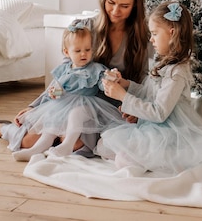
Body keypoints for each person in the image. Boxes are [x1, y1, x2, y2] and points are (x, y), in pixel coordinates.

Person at [0, 0, 151, 156]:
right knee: (29, 141)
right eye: (111, 3)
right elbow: (66, 74)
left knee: (75, 144)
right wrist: (34, 106)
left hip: (111, 107)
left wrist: (134, 108)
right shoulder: (86, 27)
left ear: (135, 6)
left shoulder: (143, 38)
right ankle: (1, 129)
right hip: (71, 101)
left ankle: (53, 140)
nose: (115, 11)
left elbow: (145, 83)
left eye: (124, 6)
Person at [95, 1, 202, 173]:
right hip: (152, 125)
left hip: (171, 129)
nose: (151, 39)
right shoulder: (162, 62)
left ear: (171, 33)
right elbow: (149, 92)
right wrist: (124, 84)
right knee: (106, 145)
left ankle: (168, 157)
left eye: (154, 33)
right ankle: (150, 156)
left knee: (122, 160)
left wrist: (123, 97)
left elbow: (159, 113)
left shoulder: (177, 72)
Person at [11, 22, 124, 161]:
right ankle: (36, 149)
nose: (83, 54)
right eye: (78, 51)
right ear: (66, 52)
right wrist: (54, 93)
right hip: (64, 104)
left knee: (77, 113)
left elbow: (102, 84)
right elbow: (59, 91)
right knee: (51, 123)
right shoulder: (64, 70)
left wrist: (110, 77)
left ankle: (67, 145)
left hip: (88, 105)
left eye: (87, 50)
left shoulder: (96, 68)